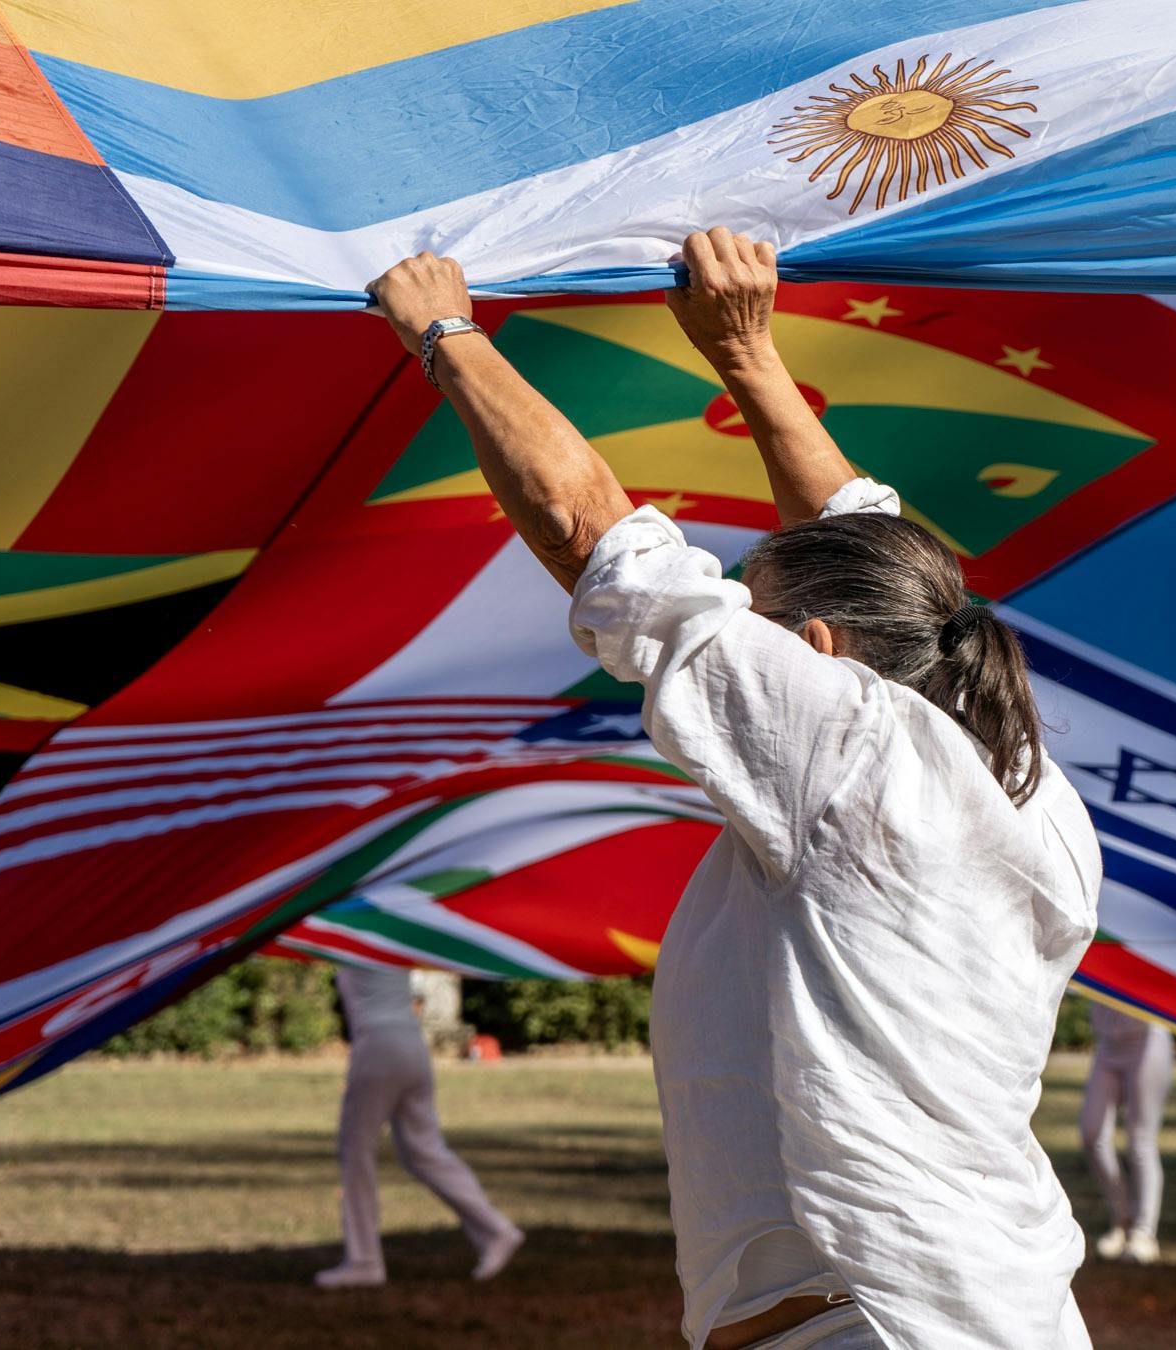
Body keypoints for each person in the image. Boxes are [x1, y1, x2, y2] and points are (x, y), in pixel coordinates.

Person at [368, 228, 1102, 1350]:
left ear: (814, 648)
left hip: (868, 1330)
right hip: (1003, 1316)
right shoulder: (1025, 782)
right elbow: (871, 548)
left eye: (758, 613)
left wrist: (445, 332)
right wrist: (745, 352)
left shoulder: (849, 749)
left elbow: (595, 541)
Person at [314, 962, 523, 1289]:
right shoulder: (389, 937)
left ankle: (364, 1260)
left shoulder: (353, 931)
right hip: (411, 1044)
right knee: (425, 1151)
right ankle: (495, 1229)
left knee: (355, 1152)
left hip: (378, 1045)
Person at [1079, 1003, 1173, 1266]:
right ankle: (1123, 1220)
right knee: (1091, 1132)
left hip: (1148, 1040)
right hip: (1108, 1044)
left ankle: (1144, 1234)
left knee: (1140, 1142)